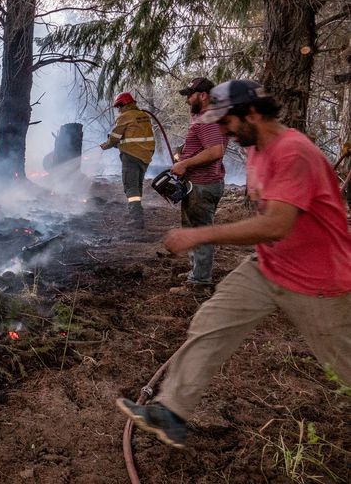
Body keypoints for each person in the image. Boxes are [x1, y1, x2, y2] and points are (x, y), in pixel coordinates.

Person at [116, 79, 351, 448]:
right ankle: (171, 412)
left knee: (345, 366)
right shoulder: (257, 148)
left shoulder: (293, 153)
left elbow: (276, 224)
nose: (222, 130)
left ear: (253, 113)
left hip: (319, 280)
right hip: (269, 266)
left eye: (226, 121)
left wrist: (200, 234)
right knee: (211, 323)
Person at [169, 77, 229, 294]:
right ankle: (197, 271)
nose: (187, 100)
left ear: (203, 95)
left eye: (190, 95)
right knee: (194, 230)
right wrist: (183, 152)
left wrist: (185, 163)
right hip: (199, 184)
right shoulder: (208, 118)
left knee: (201, 232)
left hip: (203, 185)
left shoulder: (208, 119)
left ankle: (200, 282)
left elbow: (215, 151)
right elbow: (207, 145)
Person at [100, 92, 156, 228]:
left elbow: (114, 137)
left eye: (119, 106)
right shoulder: (144, 116)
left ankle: (136, 218)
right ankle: (136, 211)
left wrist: (104, 146)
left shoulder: (125, 117)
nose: (118, 109)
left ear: (124, 104)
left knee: (130, 187)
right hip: (145, 156)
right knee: (137, 185)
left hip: (131, 156)